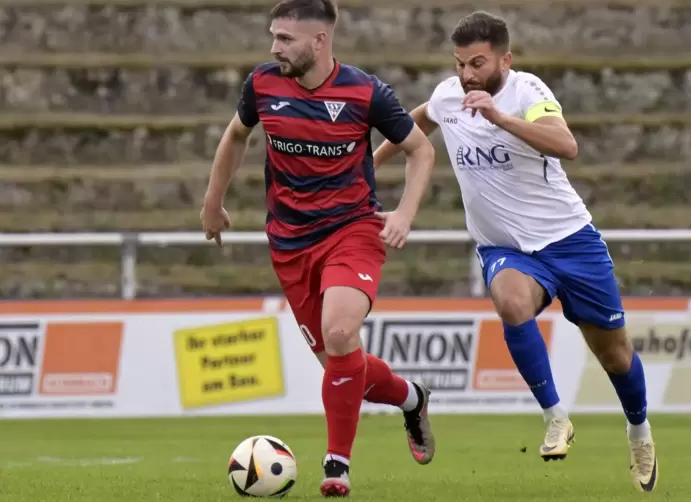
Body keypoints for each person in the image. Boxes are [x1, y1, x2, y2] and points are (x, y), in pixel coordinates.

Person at [373, 10, 658, 493]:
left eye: (477, 63)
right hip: (507, 249)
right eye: (460, 63)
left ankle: (639, 432)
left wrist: (500, 118)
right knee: (509, 300)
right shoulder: (447, 96)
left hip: (570, 241)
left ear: (505, 59)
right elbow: (412, 127)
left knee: (615, 355)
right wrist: (362, 169)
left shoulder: (528, 92)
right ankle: (555, 418)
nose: (467, 75)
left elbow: (566, 145)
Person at [200, 0, 437, 497]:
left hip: (353, 231)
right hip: (289, 243)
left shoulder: (366, 91)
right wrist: (212, 202)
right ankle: (412, 398)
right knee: (342, 363)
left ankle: (337, 465)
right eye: (273, 37)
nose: (274, 48)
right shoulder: (262, 85)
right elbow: (236, 135)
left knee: (341, 330)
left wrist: (405, 214)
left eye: (285, 39)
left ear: (319, 41)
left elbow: (421, 149)